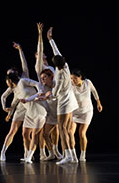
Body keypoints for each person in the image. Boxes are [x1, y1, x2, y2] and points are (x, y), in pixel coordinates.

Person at [47, 26, 79, 165]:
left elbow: (55, 94)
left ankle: (67, 156)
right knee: (67, 130)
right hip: (71, 100)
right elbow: (57, 51)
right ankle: (73, 156)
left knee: (62, 129)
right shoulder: (65, 65)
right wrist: (50, 39)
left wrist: (50, 92)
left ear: (55, 65)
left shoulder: (59, 76)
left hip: (65, 102)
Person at [34, 22, 62, 161]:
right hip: (45, 101)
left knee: (56, 129)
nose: (41, 54)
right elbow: (40, 47)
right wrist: (40, 35)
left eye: (42, 54)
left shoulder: (51, 68)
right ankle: (45, 152)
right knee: (45, 130)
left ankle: (56, 151)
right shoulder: (39, 68)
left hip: (54, 99)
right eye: (38, 54)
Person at [0, 42, 29, 162]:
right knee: (12, 131)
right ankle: (3, 152)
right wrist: (6, 110)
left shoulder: (24, 77)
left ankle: (27, 155)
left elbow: (24, 63)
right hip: (20, 108)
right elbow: (5, 98)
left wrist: (20, 50)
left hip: (30, 107)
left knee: (25, 134)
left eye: (10, 75)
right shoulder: (12, 87)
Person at [70, 68, 103, 162]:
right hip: (75, 112)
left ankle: (82, 155)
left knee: (82, 133)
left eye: (74, 79)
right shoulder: (70, 85)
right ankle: (72, 155)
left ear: (80, 77)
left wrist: (98, 103)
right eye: (71, 79)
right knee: (70, 132)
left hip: (87, 111)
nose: (73, 81)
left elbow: (94, 91)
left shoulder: (87, 82)